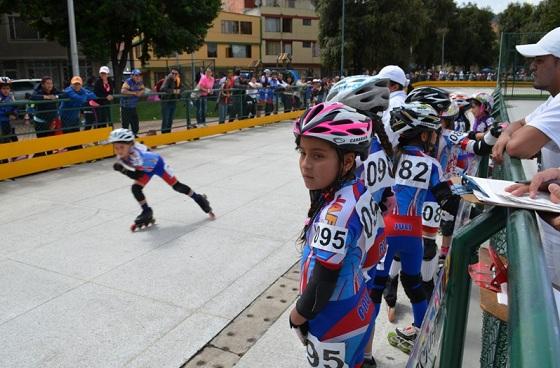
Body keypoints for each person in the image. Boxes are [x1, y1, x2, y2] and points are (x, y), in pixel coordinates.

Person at [289, 102, 380, 368]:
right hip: (356, 303)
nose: (305, 164)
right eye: (302, 153)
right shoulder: (358, 190)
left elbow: (322, 283)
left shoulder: (336, 214)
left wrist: (297, 316)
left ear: (348, 161)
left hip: (332, 318)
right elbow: (375, 252)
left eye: (318, 156)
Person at [370, 102, 460, 351]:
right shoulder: (431, 164)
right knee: (414, 285)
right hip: (413, 234)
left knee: (375, 290)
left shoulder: (389, 157)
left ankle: (364, 348)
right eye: (433, 133)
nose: (434, 138)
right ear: (423, 135)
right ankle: (418, 334)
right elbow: (449, 202)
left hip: (386, 231)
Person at [326, 75, 393, 368]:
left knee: (346, 307)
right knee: (368, 300)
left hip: (355, 244)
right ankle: (365, 357)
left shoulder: (354, 153)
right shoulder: (379, 144)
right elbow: (387, 197)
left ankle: (356, 358)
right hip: (376, 238)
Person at [493, 26, 560, 293]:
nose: (533, 66)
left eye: (540, 60)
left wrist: (510, 137)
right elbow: (517, 125)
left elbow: (518, 146)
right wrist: (507, 133)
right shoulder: (554, 100)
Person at [107, 128, 215, 229]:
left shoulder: (138, 156)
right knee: (136, 188)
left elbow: (137, 175)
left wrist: (123, 170)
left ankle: (200, 199)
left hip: (158, 165)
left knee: (177, 186)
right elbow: (144, 150)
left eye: (122, 147)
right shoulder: (125, 154)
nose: (119, 151)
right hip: (146, 168)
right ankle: (146, 211)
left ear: (130, 145)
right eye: (116, 147)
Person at [378, 65, 409, 148]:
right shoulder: (397, 100)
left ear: (394, 87)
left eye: (381, 83)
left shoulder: (395, 103)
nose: (377, 86)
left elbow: (388, 137)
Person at [120, 69, 145, 136]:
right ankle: (124, 139)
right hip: (125, 106)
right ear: (132, 76)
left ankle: (134, 136)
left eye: (139, 75)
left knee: (135, 124)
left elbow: (143, 89)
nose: (138, 77)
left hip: (133, 106)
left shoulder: (140, 82)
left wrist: (140, 92)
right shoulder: (128, 81)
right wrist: (134, 93)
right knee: (125, 125)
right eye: (136, 75)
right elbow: (123, 91)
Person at [160, 68, 182, 134]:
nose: (174, 75)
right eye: (172, 73)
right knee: (166, 119)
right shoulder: (168, 79)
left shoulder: (178, 80)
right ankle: (164, 134)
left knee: (170, 119)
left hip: (173, 101)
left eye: (175, 73)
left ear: (178, 74)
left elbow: (183, 88)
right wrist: (174, 91)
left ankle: (168, 133)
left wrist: (179, 91)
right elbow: (163, 88)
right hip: (166, 102)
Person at [0, 77, 18, 145]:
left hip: (9, 122)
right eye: (3, 88)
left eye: (8, 88)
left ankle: (16, 153)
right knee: (3, 140)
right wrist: (7, 113)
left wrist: (15, 114)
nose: (6, 90)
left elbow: (15, 107)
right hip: (1, 122)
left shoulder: (11, 96)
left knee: (13, 137)